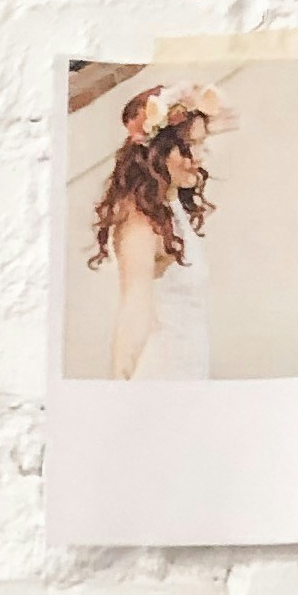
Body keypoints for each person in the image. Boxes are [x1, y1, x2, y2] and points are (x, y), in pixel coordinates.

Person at [87, 80, 235, 383]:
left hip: (189, 370)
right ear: (157, 154)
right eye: (190, 147)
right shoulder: (142, 224)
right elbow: (134, 314)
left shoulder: (169, 208)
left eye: (201, 144)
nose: (200, 157)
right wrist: (119, 394)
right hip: (162, 376)